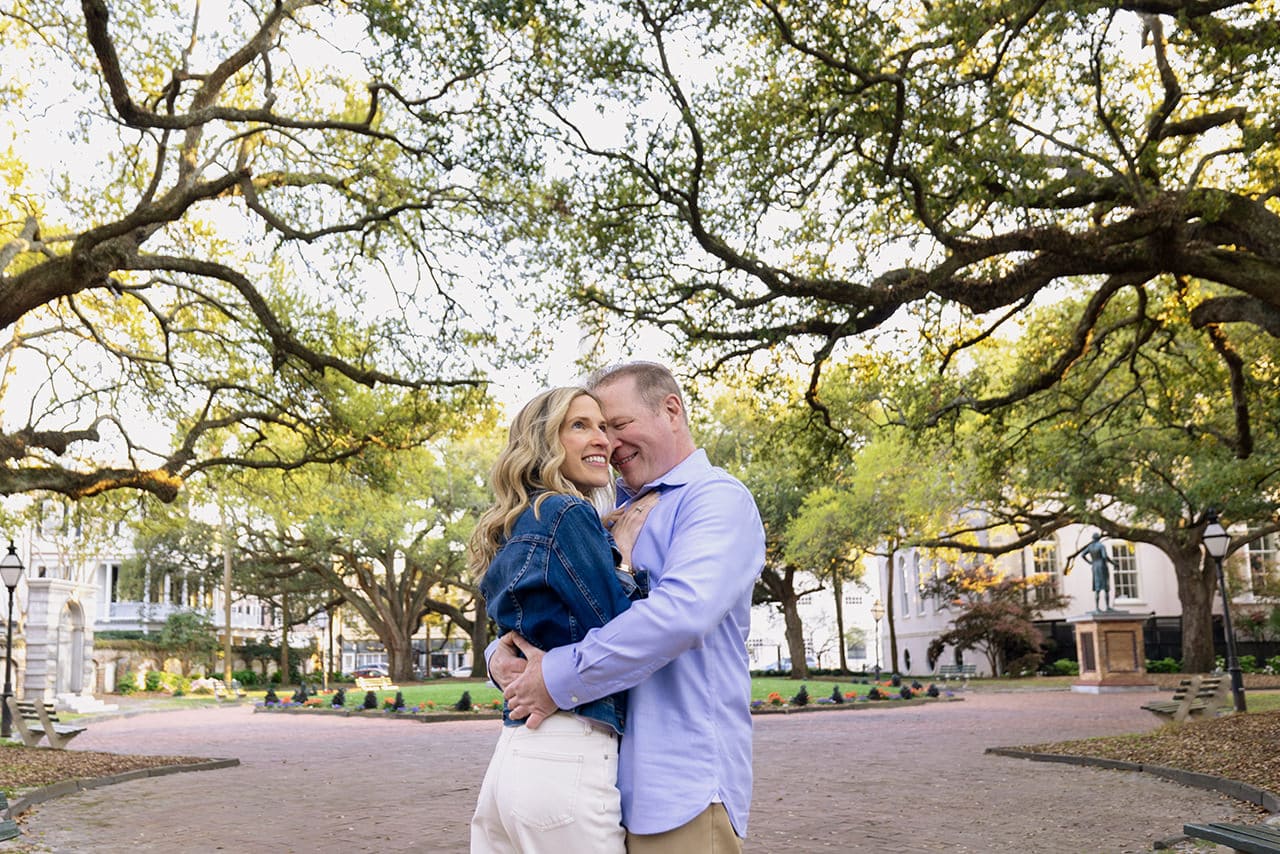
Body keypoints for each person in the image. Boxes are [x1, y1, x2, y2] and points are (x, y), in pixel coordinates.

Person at [493, 361, 767, 853]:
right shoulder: (599, 508)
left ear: (671, 410)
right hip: (595, 782)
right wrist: (504, 656)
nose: (609, 444)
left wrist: (554, 677)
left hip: (676, 788)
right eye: (594, 428)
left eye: (617, 426)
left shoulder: (715, 500)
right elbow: (552, 604)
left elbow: (680, 616)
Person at [468, 387, 657, 854]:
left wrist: (601, 541)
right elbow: (622, 632)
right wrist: (625, 561)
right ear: (543, 441)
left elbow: (518, 636)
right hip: (568, 752)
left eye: (604, 427)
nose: (603, 441)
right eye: (580, 426)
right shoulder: (566, 511)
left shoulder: (518, 520)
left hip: (512, 761)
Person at [1079, 532, 1118, 611]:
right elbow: (1104, 556)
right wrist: (1113, 563)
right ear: (1099, 538)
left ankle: (1097, 607)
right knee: (1106, 587)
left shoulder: (1090, 547)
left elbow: (1083, 555)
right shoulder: (1101, 546)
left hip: (1094, 566)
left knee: (1097, 587)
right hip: (1102, 566)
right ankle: (1107, 607)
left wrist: (1090, 562)